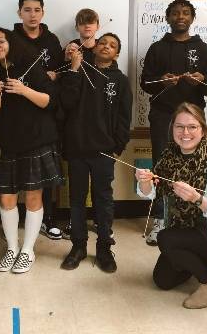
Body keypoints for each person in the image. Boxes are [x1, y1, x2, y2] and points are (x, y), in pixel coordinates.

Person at [136, 102, 207, 309]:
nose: (185, 132)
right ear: (172, 129)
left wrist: (198, 199)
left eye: (192, 127)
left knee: (165, 238)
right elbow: (152, 193)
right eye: (179, 126)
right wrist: (144, 181)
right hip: (185, 231)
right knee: (162, 280)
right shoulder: (170, 155)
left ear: (203, 130)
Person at [0, 28, 63, 273]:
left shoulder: (30, 65)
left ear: (10, 42)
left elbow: (50, 101)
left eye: (1, 41)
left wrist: (23, 90)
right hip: (10, 144)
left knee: (32, 197)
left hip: (36, 141)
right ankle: (12, 248)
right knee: (6, 199)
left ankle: (27, 250)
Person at [140, 0, 207, 246]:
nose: (180, 17)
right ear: (168, 18)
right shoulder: (157, 48)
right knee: (161, 168)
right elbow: (145, 84)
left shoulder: (203, 48)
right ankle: (161, 220)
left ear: (192, 18)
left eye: (185, 13)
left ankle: (193, 220)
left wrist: (201, 80)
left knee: (197, 168)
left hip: (193, 119)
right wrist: (161, 81)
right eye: (175, 13)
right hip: (163, 116)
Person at [60, 33, 132, 273]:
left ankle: (104, 247)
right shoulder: (80, 70)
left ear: (117, 54)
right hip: (78, 149)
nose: (106, 47)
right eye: (102, 43)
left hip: (104, 152)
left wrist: (117, 147)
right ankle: (78, 246)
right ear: (94, 47)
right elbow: (67, 102)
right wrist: (73, 69)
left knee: (103, 200)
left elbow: (124, 117)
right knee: (77, 200)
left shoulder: (120, 80)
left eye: (112, 45)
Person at [13, 0, 64, 240]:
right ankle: (23, 218)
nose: (32, 15)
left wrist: (54, 76)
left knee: (45, 172)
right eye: (27, 10)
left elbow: (59, 74)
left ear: (43, 12)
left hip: (45, 112)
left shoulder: (52, 41)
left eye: (36, 10)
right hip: (19, 114)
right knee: (20, 172)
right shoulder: (11, 38)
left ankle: (49, 218)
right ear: (19, 12)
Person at [62, 8, 101, 239]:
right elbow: (62, 83)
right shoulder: (70, 49)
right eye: (83, 23)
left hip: (98, 123)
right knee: (76, 184)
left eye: (91, 23)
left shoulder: (103, 47)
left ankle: (99, 220)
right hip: (75, 123)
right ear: (77, 26)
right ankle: (75, 222)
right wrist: (67, 61)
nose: (87, 27)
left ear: (97, 25)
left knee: (100, 184)